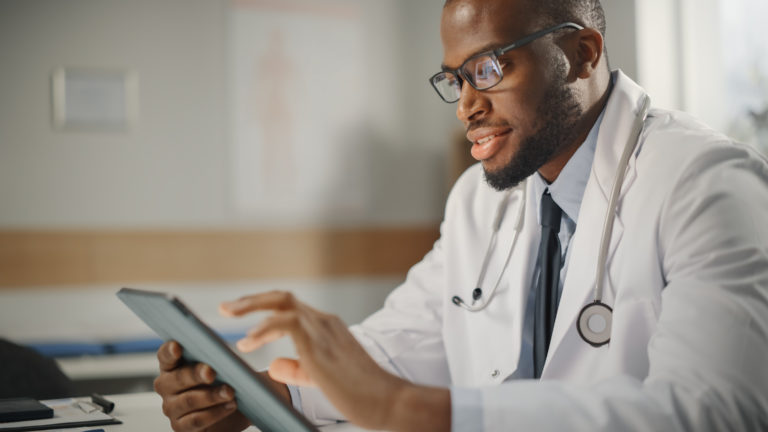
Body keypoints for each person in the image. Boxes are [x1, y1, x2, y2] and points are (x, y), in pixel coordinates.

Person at [152, 0, 768, 430]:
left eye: (490, 67)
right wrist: (258, 397)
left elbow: (714, 413)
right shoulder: (481, 198)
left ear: (582, 54)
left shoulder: (707, 185)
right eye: (455, 78)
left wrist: (411, 414)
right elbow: (405, 347)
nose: (467, 105)